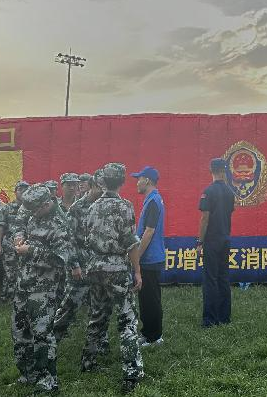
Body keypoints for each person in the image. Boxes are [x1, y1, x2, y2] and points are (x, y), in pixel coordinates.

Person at [80, 163, 143, 394]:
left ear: (103, 182)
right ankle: (131, 374)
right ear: (122, 182)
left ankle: (88, 362)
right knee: (127, 320)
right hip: (116, 268)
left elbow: (87, 237)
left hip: (95, 267)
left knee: (97, 315)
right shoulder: (124, 206)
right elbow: (130, 242)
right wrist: (137, 271)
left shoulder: (92, 207)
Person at [11, 184, 78, 393]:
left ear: (47, 204)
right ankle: (27, 373)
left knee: (42, 334)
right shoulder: (34, 214)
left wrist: (30, 250)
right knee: (20, 330)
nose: (31, 213)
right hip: (25, 282)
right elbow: (20, 224)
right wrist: (19, 236)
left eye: (35, 209)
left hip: (45, 287)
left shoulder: (60, 224)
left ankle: (47, 379)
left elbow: (60, 259)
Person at [53, 171, 104, 343]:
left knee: (98, 304)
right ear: (92, 187)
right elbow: (68, 239)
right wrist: (74, 265)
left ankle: (99, 340)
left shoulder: (102, 205)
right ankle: (53, 337)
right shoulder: (77, 208)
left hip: (97, 264)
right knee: (70, 304)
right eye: (100, 188)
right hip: (80, 263)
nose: (103, 192)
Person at [198, 158, 236, 327]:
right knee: (223, 278)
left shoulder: (208, 191)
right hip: (225, 238)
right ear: (224, 171)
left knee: (210, 279)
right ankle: (224, 317)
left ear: (210, 170)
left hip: (212, 240)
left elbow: (204, 218)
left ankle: (210, 319)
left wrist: (200, 241)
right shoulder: (229, 192)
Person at [132, 166, 166, 346]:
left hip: (150, 258)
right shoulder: (152, 200)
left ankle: (154, 336)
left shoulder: (153, 201)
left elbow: (149, 232)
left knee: (150, 299)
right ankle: (150, 333)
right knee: (147, 298)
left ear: (147, 180)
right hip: (150, 257)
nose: (137, 183)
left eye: (139, 179)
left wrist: (136, 256)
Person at [0, 181, 29, 302]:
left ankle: (16, 296)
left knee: (21, 271)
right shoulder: (7, 208)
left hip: (24, 245)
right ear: (15, 192)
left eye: (26, 190)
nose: (23, 192)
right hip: (9, 245)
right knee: (9, 272)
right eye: (20, 189)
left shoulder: (30, 209)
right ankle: (7, 296)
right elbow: (1, 228)